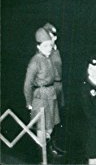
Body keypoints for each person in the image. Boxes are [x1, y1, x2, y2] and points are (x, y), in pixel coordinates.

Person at [24, 28, 61, 157]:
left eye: (50, 45)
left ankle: (45, 150)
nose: (48, 48)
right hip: (40, 97)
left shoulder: (49, 57)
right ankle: (42, 156)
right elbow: (27, 84)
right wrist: (29, 103)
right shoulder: (35, 61)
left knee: (50, 127)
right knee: (42, 127)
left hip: (50, 95)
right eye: (45, 46)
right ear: (38, 46)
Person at [43, 22, 66, 154]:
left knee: (56, 119)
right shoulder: (44, 51)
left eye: (53, 35)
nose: (53, 38)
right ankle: (45, 149)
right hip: (50, 89)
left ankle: (52, 145)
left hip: (58, 87)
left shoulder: (55, 48)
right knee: (48, 119)